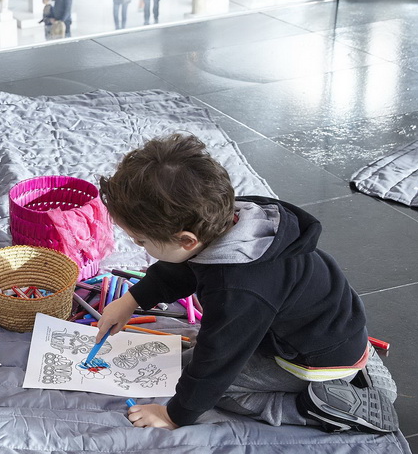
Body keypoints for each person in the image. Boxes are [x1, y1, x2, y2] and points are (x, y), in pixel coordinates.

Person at [96, 134, 399, 434]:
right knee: (191, 356)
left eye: (141, 241)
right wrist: (131, 299)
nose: (138, 245)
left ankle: (316, 407)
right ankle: (356, 369)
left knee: (213, 387)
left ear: (187, 240)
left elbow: (217, 363)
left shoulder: (237, 289)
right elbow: (184, 267)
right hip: (330, 328)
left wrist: (175, 415)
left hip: (311, 359)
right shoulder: (235, 217)